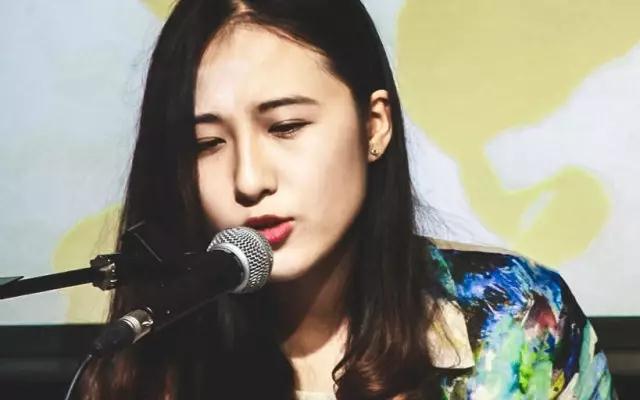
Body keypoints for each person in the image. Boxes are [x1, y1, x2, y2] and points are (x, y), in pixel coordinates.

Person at [82, 0, 616, 399]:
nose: (249, 179)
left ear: (374, 125)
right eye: (207, 144)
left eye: (286, 126)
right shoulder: (146, 361)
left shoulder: (514, 320)